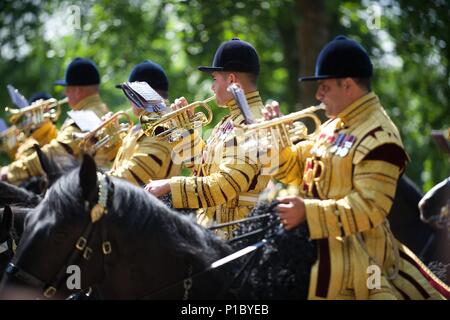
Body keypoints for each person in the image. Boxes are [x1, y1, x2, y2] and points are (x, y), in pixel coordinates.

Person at [268, 35, 449, 299]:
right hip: (320, 247)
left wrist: (308, 213)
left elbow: (370, 209)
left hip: (366, 266)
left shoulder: (381, 135)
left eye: (325, 87)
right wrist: (277, 137)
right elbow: (297, 169)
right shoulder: (334, 125)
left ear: (349, 86)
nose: (318, 95)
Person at [145, 38, 271, 239]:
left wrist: (170, 185)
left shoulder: (253, 122)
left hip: (237, 240)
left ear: (231, 80)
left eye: (215, 78)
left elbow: (224, 186)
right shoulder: (229, 121)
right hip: (213, 232)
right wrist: (185, 132)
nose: (212, 87)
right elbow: (201, 170)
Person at [0, 57, 110, 183]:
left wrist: (11, 171)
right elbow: (65, 145)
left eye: (67, 88)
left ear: (78, 91)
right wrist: (43, 127)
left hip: (91, 190)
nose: (65, 93)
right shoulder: (95, 111)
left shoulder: (88, 116)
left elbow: (57, 153)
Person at [107, 60, 200, 186]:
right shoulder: (142, 126)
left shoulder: (161, 128)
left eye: (130, 93)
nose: (129, 99)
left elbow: (134, 176)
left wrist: (95, 181)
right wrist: (114, 142)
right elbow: (123, 164)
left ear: (142, 93)